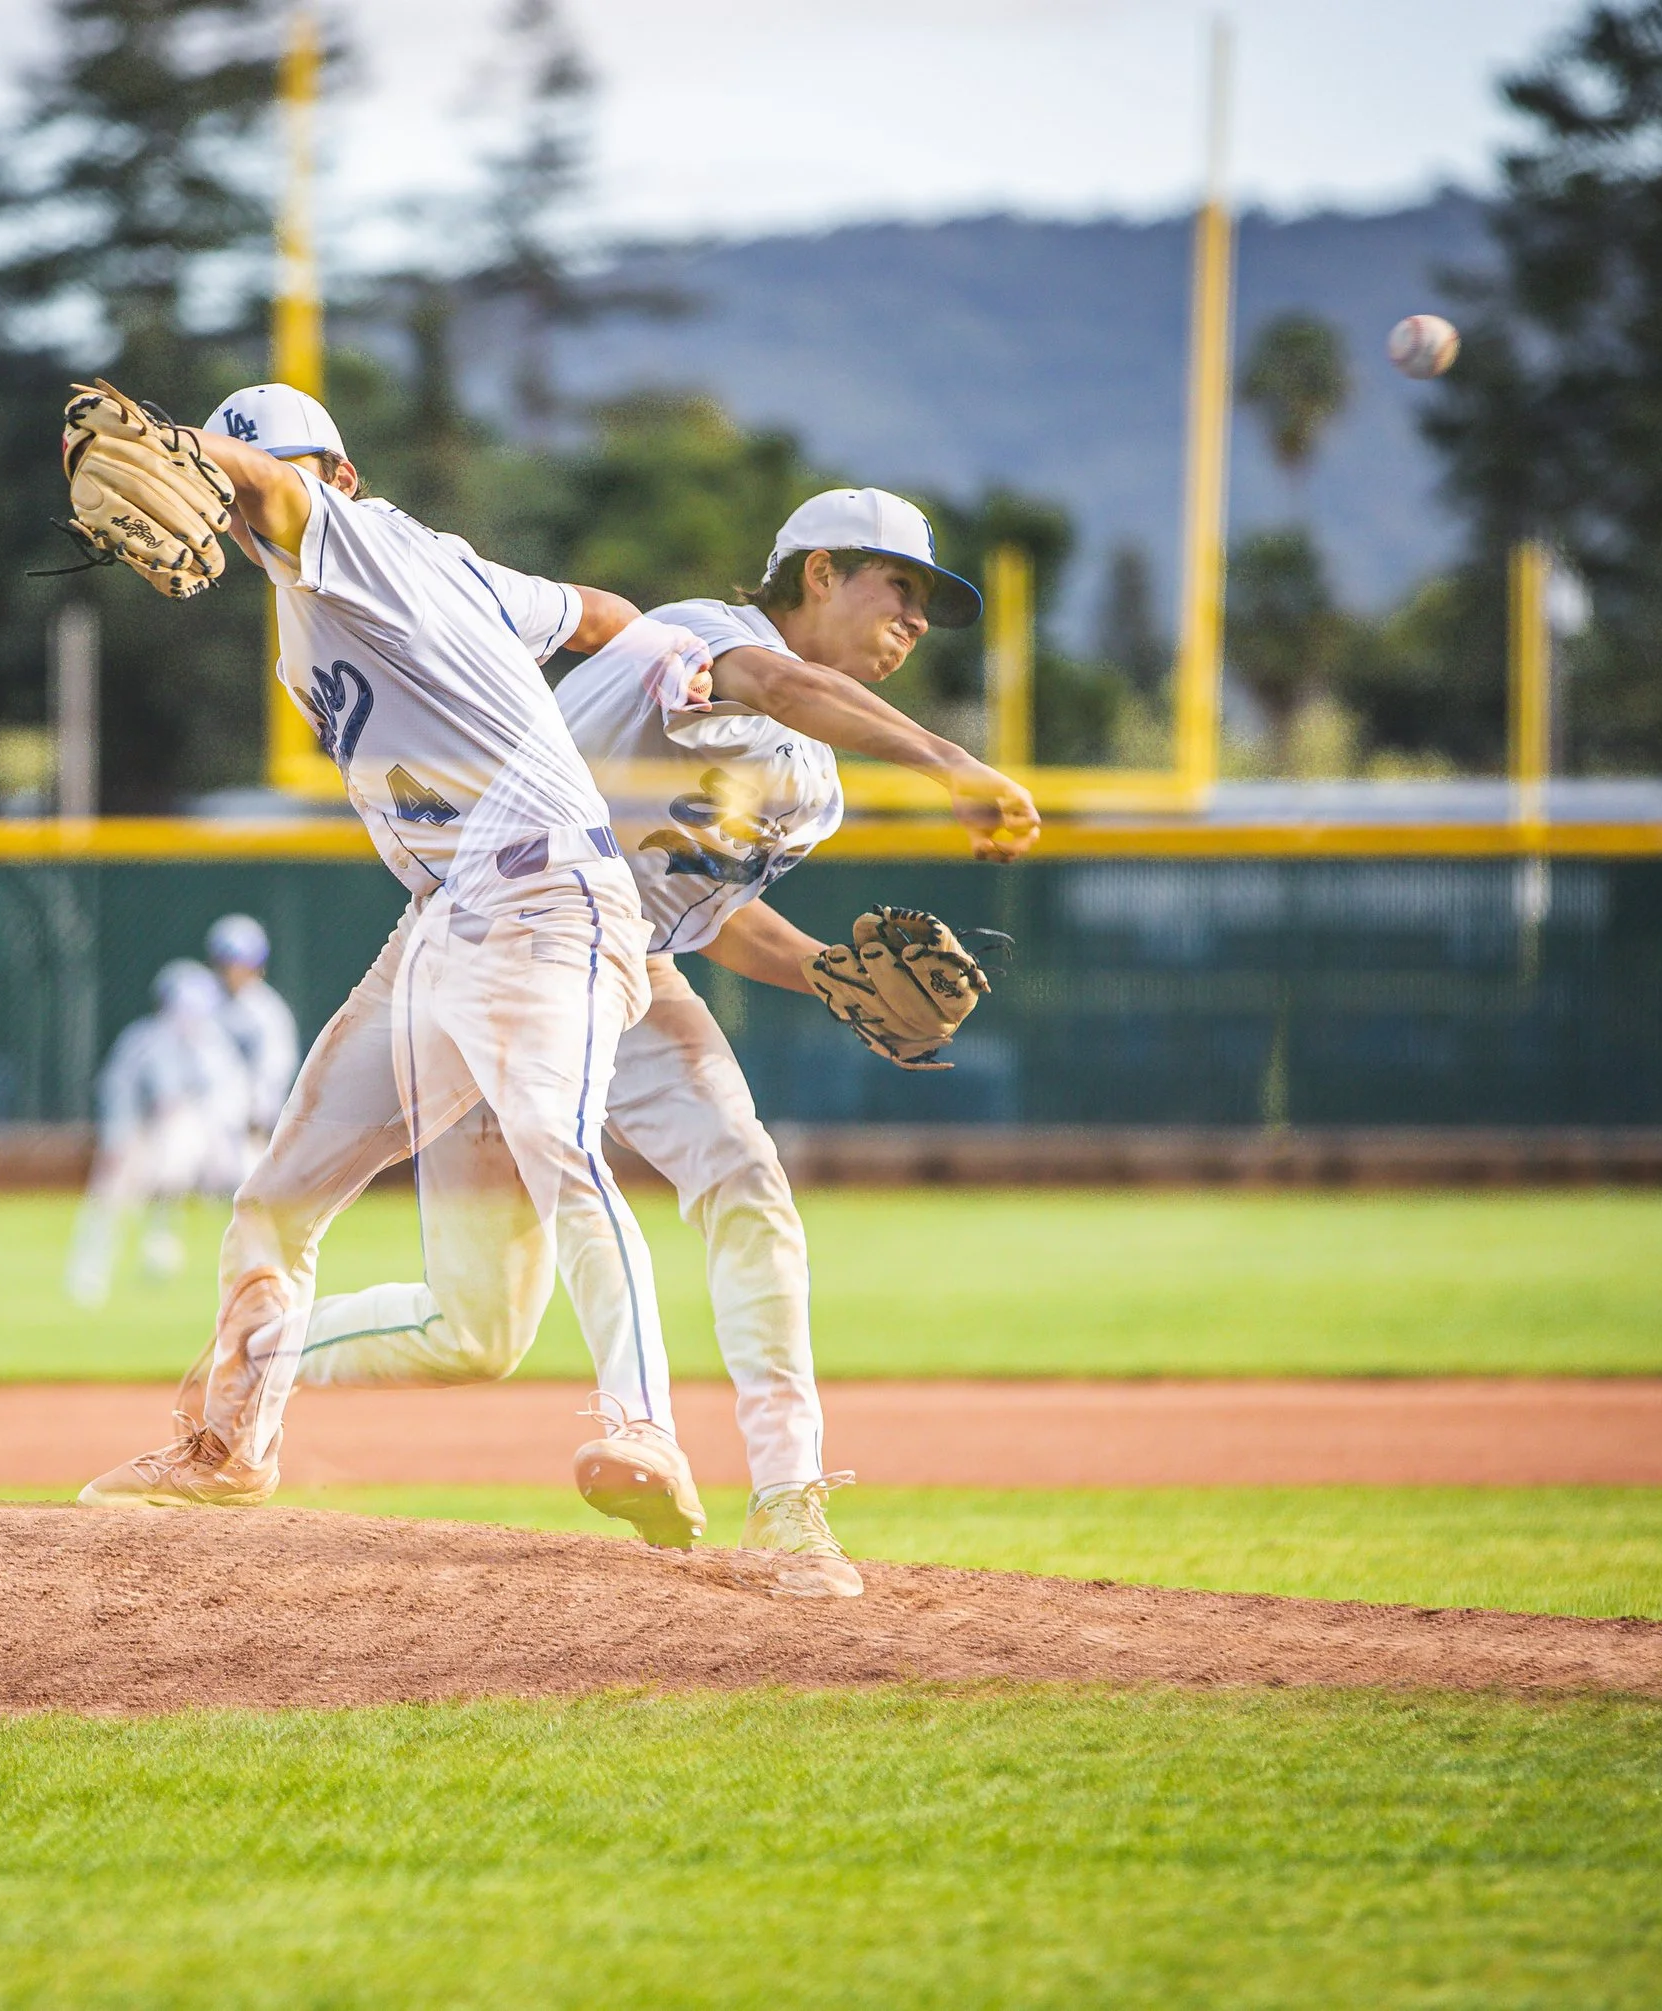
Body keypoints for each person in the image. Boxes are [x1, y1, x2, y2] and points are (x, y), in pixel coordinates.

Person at [291, 488, 1040, 1594]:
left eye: (927, 604)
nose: (917, 620)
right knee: (475, 1330)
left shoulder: (812, 785)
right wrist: (950, 763)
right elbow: (778, 684)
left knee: (742, 1180)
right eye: (900, 587)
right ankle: (247, 1358)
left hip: (629, 968)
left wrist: (827, 973)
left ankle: (788, 1501)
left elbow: (708, 916)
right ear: (820, 571)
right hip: (498, 952)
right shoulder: (693, 635)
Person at [77, 381, 717, 1547]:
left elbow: (275, 488)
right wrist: (666, 646)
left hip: (549, 902)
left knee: (559, 1145)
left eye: (256, 480)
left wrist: (192, 446)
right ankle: (228, 1447)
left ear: (340, 477)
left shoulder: (358, 538)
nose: (233, 506)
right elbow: (588, 611)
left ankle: (646, 1434)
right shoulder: (425, 571)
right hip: (440, 924)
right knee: (290, 1208)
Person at [67, 960, 253, 1306]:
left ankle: (176, 1247)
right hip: (140, 1133)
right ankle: (89, 1275)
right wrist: (117, 1138)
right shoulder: (143, 1040)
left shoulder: (214, 1045)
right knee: (109, 1200)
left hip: (191, 1139)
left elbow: (228, 1100)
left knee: (241, 1175)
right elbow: (118, 1092)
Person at [201, 911, 299, 1174]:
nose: (232, 971)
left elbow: (275, 1070)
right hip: (200, 1111)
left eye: (239, 963)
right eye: (226, 963)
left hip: (246, 1119)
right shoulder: (201, 1001)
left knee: (247, 1174)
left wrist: (260, 1114)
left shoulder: (268, 1011)